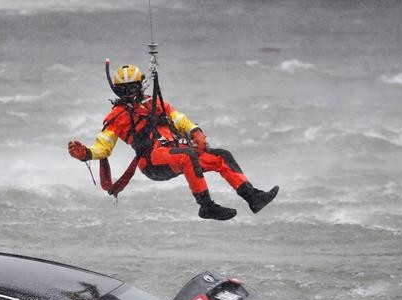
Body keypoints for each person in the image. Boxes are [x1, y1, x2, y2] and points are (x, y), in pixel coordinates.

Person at [67, 63, 278, 221]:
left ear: (140, 85)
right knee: (188, 156)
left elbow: (179, 119)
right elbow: (103, 146)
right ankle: (206, 206)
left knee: (222, 156)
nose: (130, 93)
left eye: (133, 88)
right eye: (125, 89)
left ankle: (253, 197)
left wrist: (195, 131)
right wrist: (86, 153)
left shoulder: (155, 103)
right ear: (117, 90)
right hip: (152, 162)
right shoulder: (117, 117)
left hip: (176, 152)